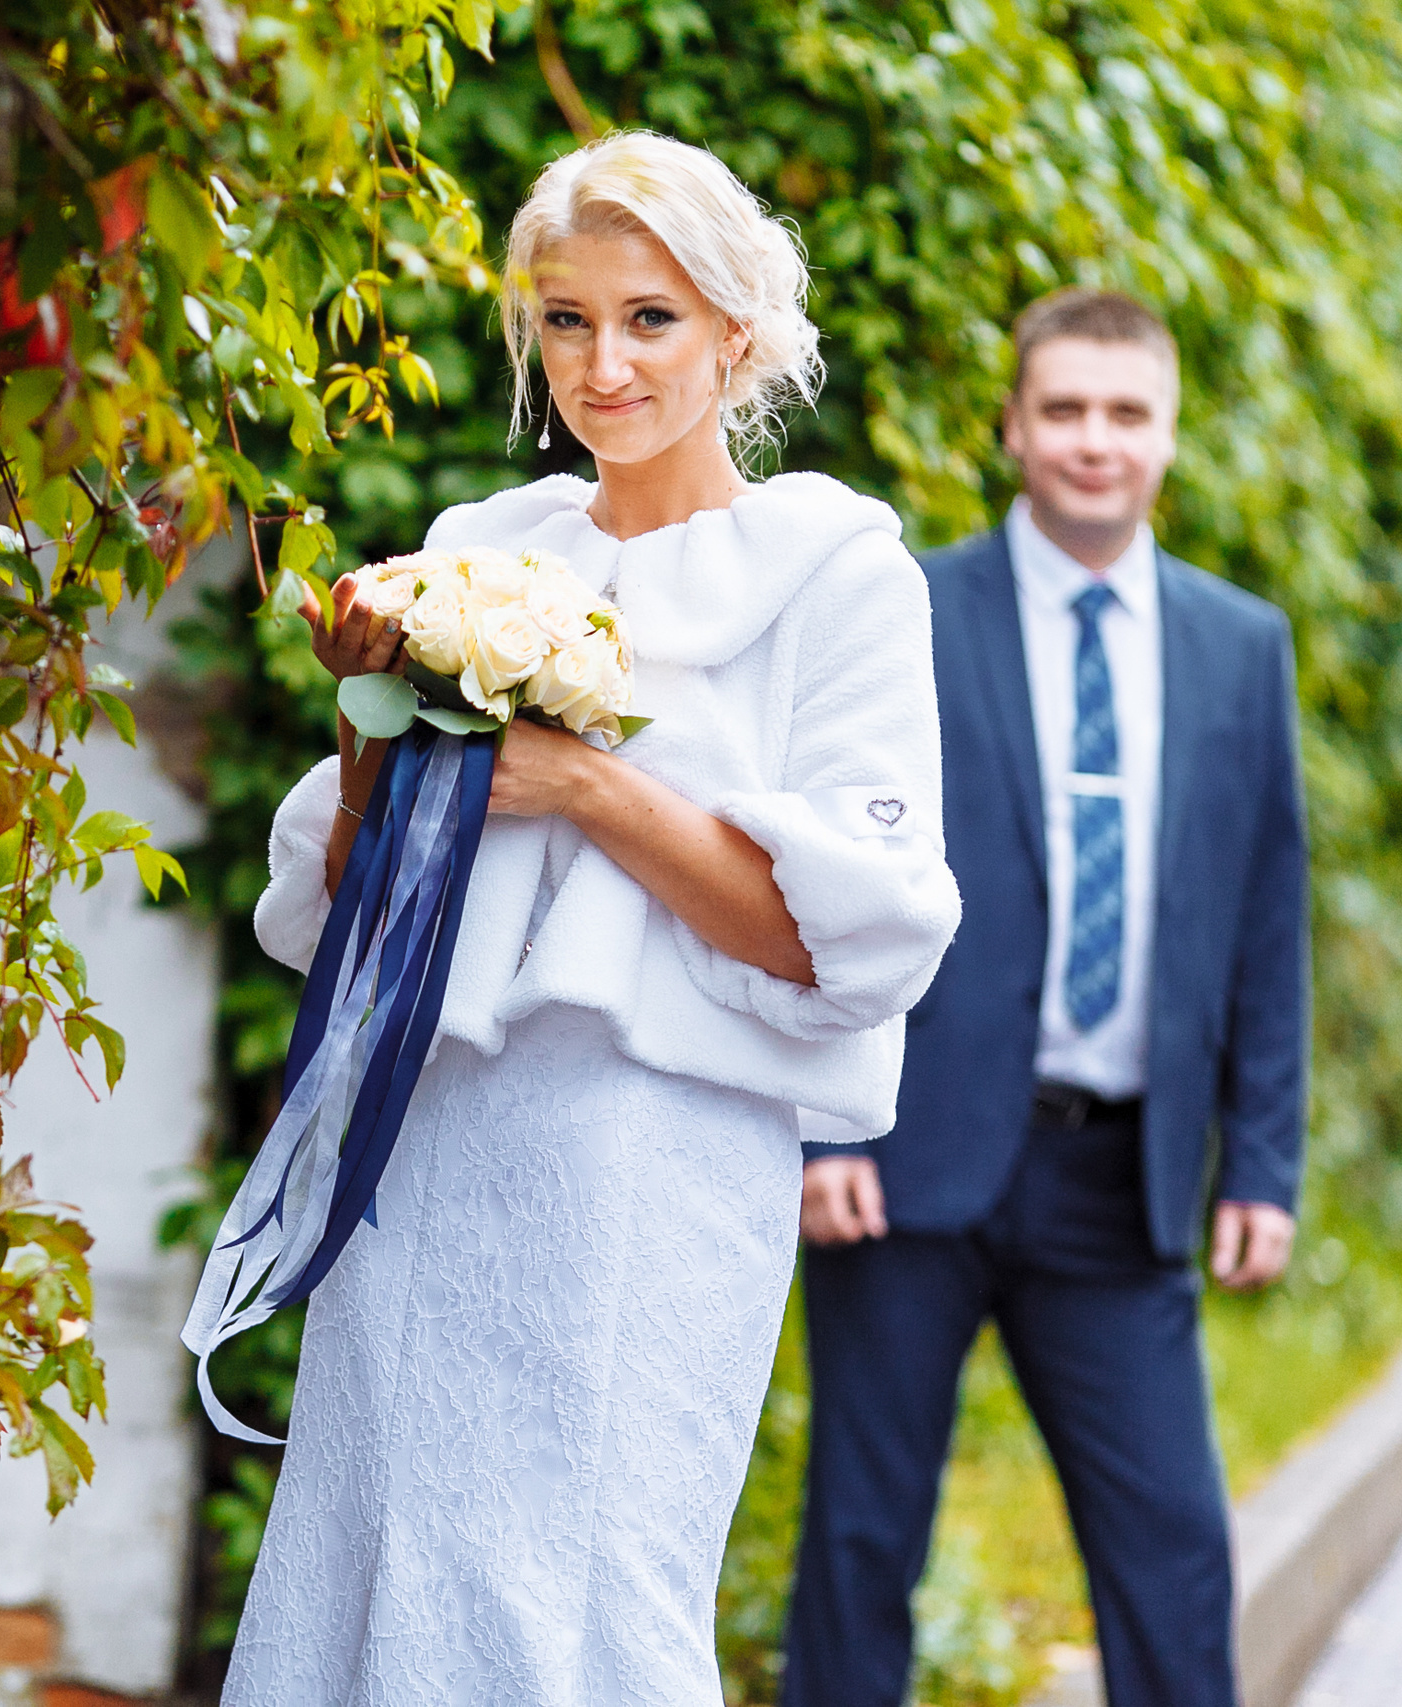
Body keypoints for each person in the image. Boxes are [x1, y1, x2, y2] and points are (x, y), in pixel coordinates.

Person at [227, 131, 961, 1706]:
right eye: (567, 319)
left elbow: (844, 947)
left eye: (651, 319)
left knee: (584, 1586)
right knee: (373, 1550)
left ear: (735, 334)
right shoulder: (479, 556)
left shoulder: (837, 574)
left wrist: (590, 791)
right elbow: (356, 908)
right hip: (428, 1151)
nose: (602, 363)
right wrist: (367, 721)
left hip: (656, 1166)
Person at [782, 289, 1309, 1707]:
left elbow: (1264, 912)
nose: (1094, 441)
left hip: (1117, 1176)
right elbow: (821, 871)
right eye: (1064, 409)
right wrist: (825, 1129)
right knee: (859, 1538)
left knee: (1176, 1553)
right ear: (1014, 425)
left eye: (1126, 413)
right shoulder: (906, 610)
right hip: (902, 1154)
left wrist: (1261, 1158)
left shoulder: (1238, 647)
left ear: (1169, 434)